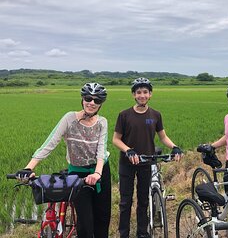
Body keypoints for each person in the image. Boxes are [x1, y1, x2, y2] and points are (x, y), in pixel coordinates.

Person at [15, 83, 111, 238]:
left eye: (97, 100)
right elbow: (50, 143)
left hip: (100, 172)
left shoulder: (102, 122)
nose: (92, 103)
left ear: (100, 104)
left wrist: (98, 173)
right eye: (88, 98)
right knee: (85, 224)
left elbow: (101, 150)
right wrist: (28, 168)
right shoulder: (69, 118)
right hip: (77, 174)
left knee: (102, 218)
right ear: (82, 99)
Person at [113, 77, 183, 238]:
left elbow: (163, 137)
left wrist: (174, 147)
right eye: (138, 92)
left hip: (146, 162)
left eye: (145, 92)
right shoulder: (124, 115)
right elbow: (116, 139)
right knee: (125, 202)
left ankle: (142, 233)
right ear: (133, 95)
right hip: (127, 163)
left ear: (150, 94)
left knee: (144, 200)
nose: (142, 95)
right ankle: (123, 234)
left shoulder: (155, 115)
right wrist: (128, 150)